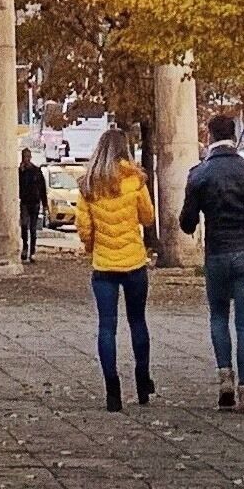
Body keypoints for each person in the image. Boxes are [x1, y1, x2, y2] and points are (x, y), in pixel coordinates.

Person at [179, 109, 244, 411]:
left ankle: (224, 377)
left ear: (209, 136)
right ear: (234, 135)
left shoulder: (198, 174)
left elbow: (186, 223)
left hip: (216, 255)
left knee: (218, 317)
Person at [72, 126, 157, 410]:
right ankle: (143, 378)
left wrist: (92, 247)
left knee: (106, 326)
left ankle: (112, 389)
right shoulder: (135, 180)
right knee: (137, 322)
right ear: (125, 149)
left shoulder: (88, 184)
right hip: (133, 262)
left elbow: (84, 228)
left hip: (104, 265)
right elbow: (147, 217)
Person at [19, 150, 49, 261]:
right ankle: (25, 247)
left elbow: (42, 188)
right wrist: (21, 172)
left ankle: (32, 252)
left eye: (27, 156)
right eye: (24, 157)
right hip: (25, 202)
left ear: (30, 157)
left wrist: (44, 204)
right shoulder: (20, 171)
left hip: (35, 202)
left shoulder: (36, 171)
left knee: (33, 228)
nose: (26, 159)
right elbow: (17, 186)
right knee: (24, 226)